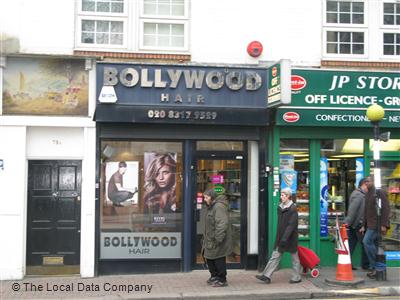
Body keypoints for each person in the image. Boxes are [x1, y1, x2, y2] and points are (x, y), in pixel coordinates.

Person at [255, 187, 301, 284]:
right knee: (275, 256)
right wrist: (281, 237)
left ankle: (296, 277)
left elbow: (291, 226)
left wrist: (284, 238)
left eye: (283, 195)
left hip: (290, 238)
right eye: (281, 195)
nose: (281, 197)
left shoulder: (293, 208)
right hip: (281, 237)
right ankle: (266, 275)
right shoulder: (280, 207)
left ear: (288, 196)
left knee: (294, 258)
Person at [360, 176, 391, 279]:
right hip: (370, 224)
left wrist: (384, 225)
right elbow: (366, 211)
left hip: (376, 224)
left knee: (366, 241)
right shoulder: (368, 193)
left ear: (373, 181)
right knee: (374, 245)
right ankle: (377, 268)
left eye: (368, 181)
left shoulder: (379, 192)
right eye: (365, 182)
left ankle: (375, 266)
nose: (366, 183)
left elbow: (386, 208)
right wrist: (363, 226)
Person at [202, 189, 232, 287]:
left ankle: (222, 279)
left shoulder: (218, 207)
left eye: (206, 197)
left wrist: (218, 239)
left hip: (217, 239)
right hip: (210, 239)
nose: (205, 199)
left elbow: (222, 223)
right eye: (204, 197)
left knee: (218, 259)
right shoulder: (211, 207)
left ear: (212, 197)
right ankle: (214, 276)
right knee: (210, 258)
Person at [343, 177, 369, 270]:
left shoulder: (361, 194)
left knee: (352, 244)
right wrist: (347, 223)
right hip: (357, 224)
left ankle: (348, 264)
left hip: (355, 223)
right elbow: (352, 210)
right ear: (364, 184)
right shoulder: (358, 195)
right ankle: (366, 265)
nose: (368, 188)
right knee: (366, 243)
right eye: (368, 186)